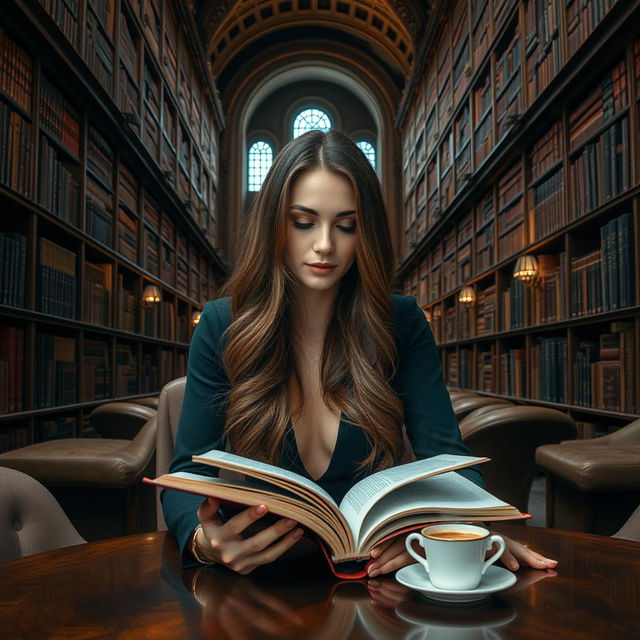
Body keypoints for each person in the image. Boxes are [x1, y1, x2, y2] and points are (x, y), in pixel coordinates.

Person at [161, 129, 558, 577]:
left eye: (346, 225)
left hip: (377, 576)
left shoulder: (400, 321)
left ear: (365, 233)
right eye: (303, 222)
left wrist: (458, 532)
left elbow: (449, 462)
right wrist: (204, 543)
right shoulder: (222, 324)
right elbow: (184, 476)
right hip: (259, 578)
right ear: (274, 224)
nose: (326, 244)